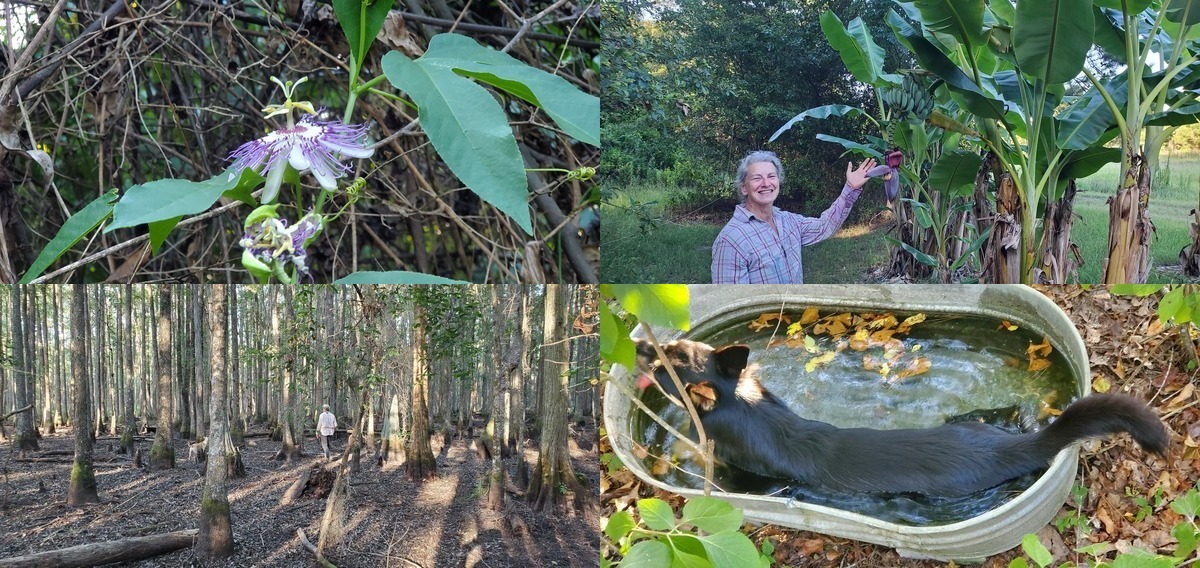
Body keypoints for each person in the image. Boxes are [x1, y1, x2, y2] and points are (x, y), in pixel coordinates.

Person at [711, 150, 876, 283]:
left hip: (795, 321)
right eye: (757, 178)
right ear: (744, 188)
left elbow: (824, 227)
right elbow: (730, 304)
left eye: (771, 176)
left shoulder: (788, 221)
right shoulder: (731, 240)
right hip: (763, 324)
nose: (766, 184)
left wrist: (850, 188)